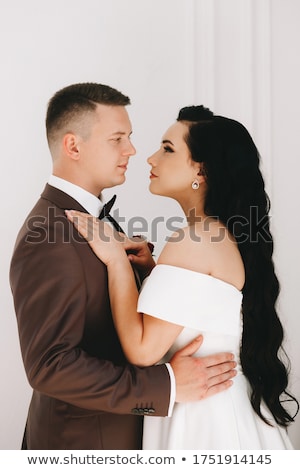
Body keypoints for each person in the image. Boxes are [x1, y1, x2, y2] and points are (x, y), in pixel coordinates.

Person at [9, 84, 237, 450]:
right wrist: (168, 386)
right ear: (73, 146)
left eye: (129, 137)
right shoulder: (49, 233)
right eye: (117, 138)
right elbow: (49, 366)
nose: (132, 150)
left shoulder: (95, 220)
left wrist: (150, 273)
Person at [66, 104, 299, 449]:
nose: (150, 159)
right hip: (219, 413)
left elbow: (143, 350)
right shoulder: (212, 234)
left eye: (168, 149)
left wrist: (116, 261)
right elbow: (199, 308)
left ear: (202, 171)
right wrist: (154, 272)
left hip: (206, 426)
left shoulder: (195, 237)